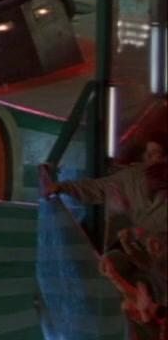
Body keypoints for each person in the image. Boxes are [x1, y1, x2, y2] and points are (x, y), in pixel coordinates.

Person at [46, 130, 168, 330]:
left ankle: (150, 310)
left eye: (160, 155)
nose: (155, 160)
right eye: (150, 154)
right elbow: (97, 188)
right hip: (140, 251)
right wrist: (62, 187)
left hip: (159, 257)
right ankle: (139, 310)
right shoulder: (131, 178)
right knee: (112, 262)